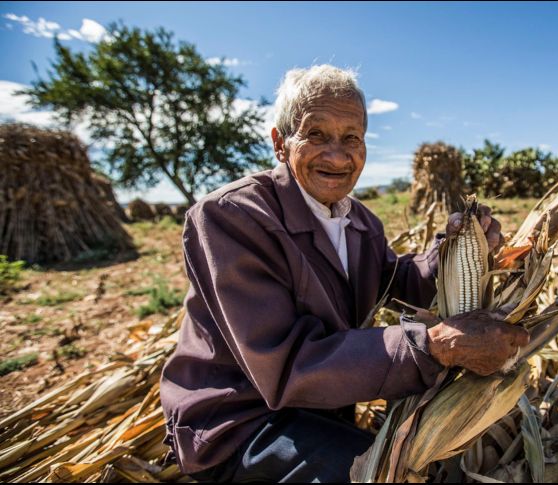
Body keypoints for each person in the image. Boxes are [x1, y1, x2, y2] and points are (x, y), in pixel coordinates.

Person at [159, 64, 529, 483]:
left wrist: (453, 251)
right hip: (241, 423)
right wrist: (435, 346)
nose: (337, 155)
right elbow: (283, 366)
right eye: (316, 134)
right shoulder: (232, 218)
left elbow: (392, 281)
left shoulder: (361, 222)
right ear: (281, 143)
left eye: (351, 137)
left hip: (322, 409)